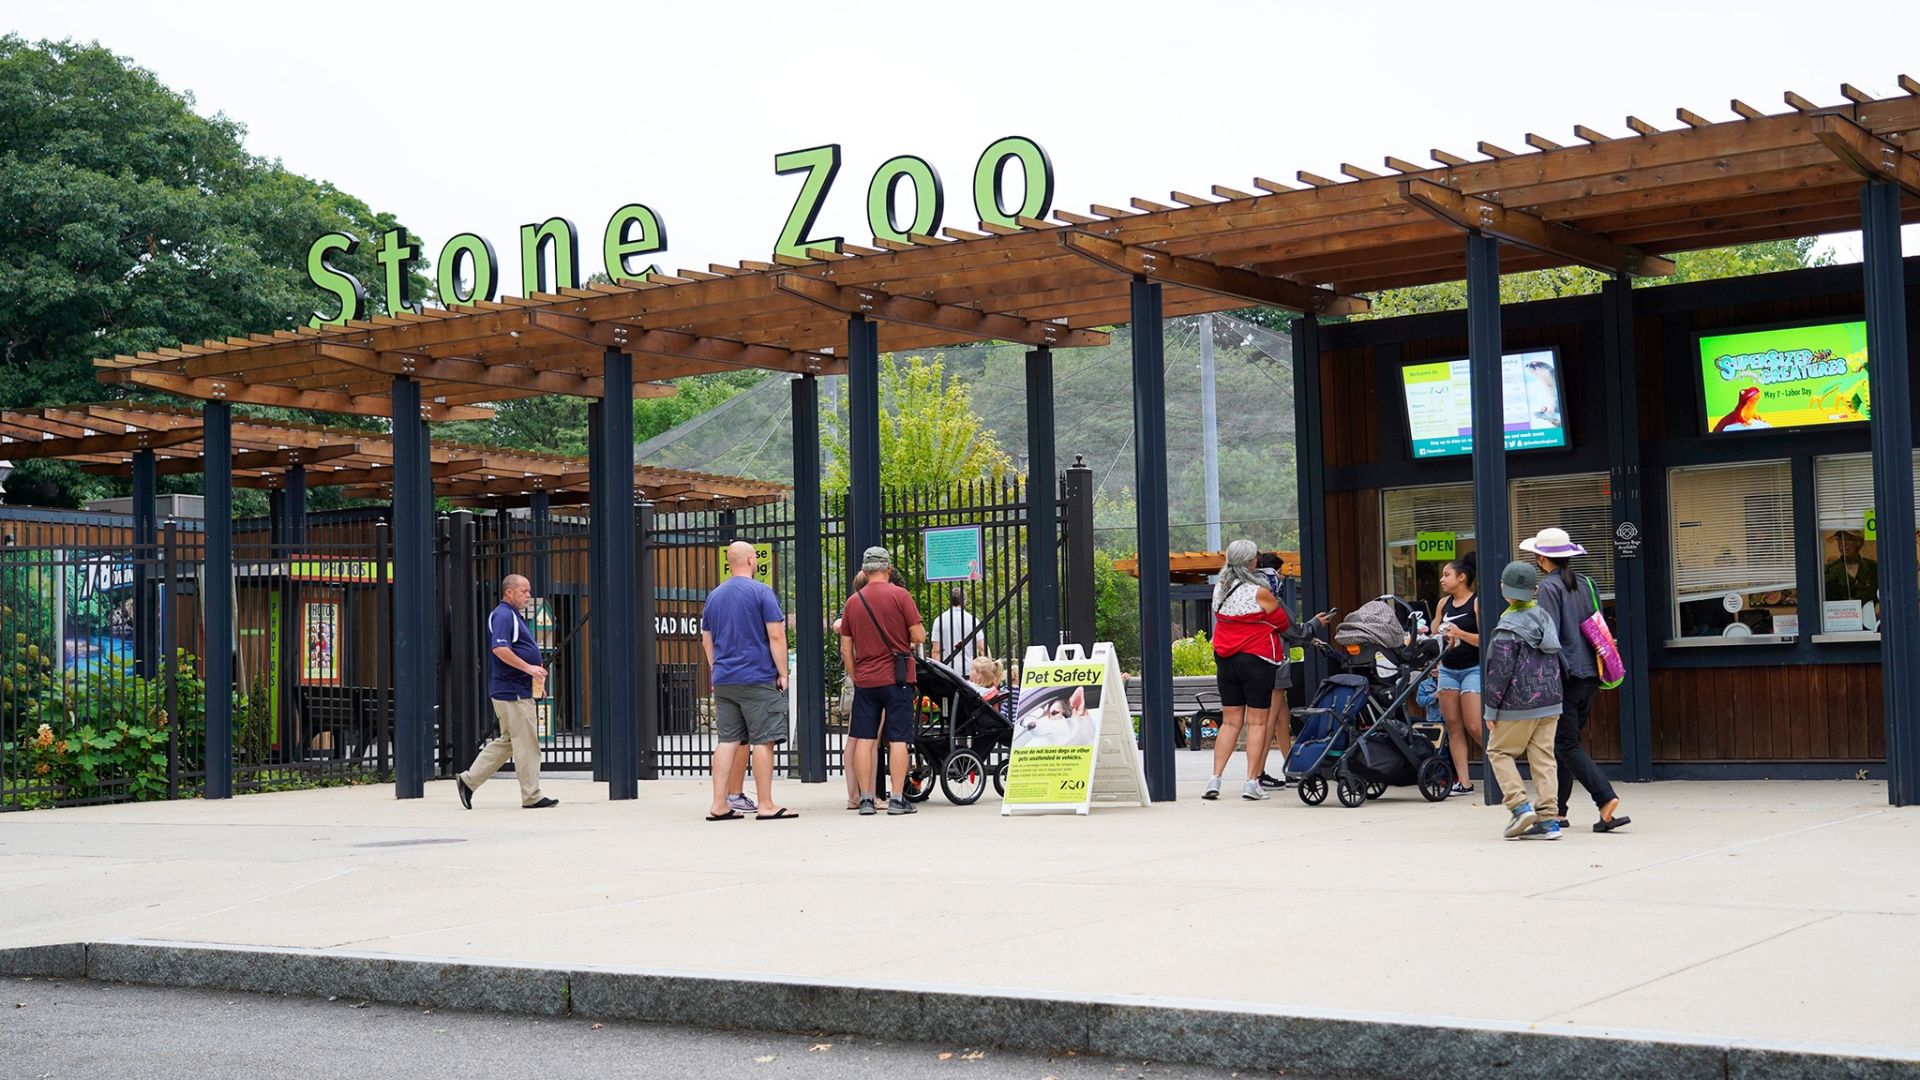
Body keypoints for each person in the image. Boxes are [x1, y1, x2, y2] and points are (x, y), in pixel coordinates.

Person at [1523, 527, 1630, 834]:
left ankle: (1605, 799)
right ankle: (1558, 811)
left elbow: (1548, 636)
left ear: (1542, 559)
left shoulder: (1548, 587)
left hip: (1565, 676)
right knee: (1564, 744)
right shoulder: (1587, 583)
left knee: (1564, 744)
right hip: (1591, 674)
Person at [701, 541, 795, 821]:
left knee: (727, 740)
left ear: (730, 562)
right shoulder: (761, 592)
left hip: (725, 679)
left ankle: (719, 804)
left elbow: (707, 640)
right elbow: (776, 635)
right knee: (764, 741)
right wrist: (783, 673)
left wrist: (717, 669)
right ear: (752, 559)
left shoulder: (714, 596)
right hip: (757, 677)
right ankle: (765, 804)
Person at [455, 574, 557, 810]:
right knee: (528, 743)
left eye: (529, 591)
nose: (528, 596)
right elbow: (500, 648)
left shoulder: (512, 616)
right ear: (509, 592)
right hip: (512, 692)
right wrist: (529, 668)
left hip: (514, 689)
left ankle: (468, 781)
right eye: (524, 591)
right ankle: (532, 795)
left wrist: (534, 679)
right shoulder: (504, 615)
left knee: (509, 741)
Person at [838, 546, 926, 816]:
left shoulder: (853, 602)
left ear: (864, 572)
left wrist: (856, 675)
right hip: (897, 677)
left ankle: (866, 799)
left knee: (865, 739)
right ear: (888, 568)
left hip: (866, 680)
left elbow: (845, 649)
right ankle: (897, 799)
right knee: (898, 738)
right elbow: (919, 636)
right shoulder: (900, 595)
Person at [1480, 560, 1561, 840]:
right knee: (1544, 758)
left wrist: (1491, 709)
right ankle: (1549, 821)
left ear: (1504, 588)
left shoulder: (1508, 626)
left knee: (1498, 751)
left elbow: (1499, 672)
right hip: (1551, 700)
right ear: (1534, 590)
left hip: (1518, 703)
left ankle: (1519, 806)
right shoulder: (1544, 617)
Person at [1206, 541, 1293, 801]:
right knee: (1257, 722)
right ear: (1251, 562)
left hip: (1226, 660)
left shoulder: (1219, 590)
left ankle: (1214, 779)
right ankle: (1252, 783)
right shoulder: (1259, 592)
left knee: (1230, 722)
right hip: (1257, 661)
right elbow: (1282, 623)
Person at [1251, 551, 1329, 790]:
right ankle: (1257, 773)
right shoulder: (1271, 599)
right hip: (1275, 666)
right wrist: (1314, 625)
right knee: (1268, 720)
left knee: (1282, 718)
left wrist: (1309, 640)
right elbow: (1291, 628)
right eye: (1279, 572)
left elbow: (1283, 632)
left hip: (1270, 664)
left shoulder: (1256, 597)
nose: (1282, 577)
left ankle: (1290, 768)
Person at [1434, 553, 1482, 797]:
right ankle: (1464, 783)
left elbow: (1485, 639)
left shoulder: (1476, 602)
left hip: (1473, 668)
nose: (1442, 579)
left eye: (1447, 574)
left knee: (1474, 725)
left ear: (1461, 577)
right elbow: (1435, 634)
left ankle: (1503, 767)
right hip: (1447, 669)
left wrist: (1460, 633)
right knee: (1453, 726)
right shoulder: (1443, 604)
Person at [930, 586, 982, 675]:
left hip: (947, 670)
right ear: (965, 601)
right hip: (968, 670)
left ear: (950, 600)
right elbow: (982, 647)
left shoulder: (939, 620)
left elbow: (936, 650)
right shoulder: (972, 620)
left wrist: (936, 673)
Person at [1823, 530, 1878, 603]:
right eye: (1840, 540)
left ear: (1859, 543)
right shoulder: (1828, 571)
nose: (1843, 544)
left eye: (1847, 539)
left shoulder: (1873, 567)